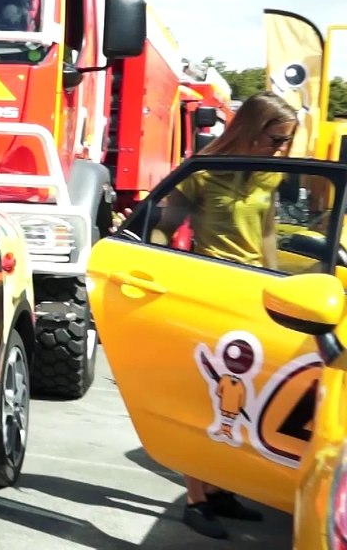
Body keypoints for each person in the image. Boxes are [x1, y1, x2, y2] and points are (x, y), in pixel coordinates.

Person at [112, 90, 298, 539]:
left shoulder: (270, 174)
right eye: (276, 138)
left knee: (242, 400)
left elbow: (267, 233)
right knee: (205, 398)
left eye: (287, 140)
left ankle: (221, 490)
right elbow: (164, 224)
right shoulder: (205, 171)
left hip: (255, 293)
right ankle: (197, 499)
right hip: (211, 286)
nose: (282, 149)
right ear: (251, 131)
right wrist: (147, 266)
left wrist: (279, 289)